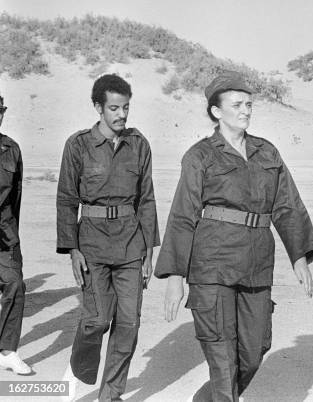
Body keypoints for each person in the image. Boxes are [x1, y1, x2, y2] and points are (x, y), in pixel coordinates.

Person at [154, 71, 313, 402]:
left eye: (249, 104)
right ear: (216, 111)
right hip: (212, 263)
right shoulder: (200, 156)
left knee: (256, 348)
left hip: (257, 263)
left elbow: (287, 205)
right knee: (222, 354)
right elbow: (183, 215)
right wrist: (175, 276)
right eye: (237, 104)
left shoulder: (267, 153)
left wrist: (298, 257)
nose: (245, 110)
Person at [56, 74, 159, 401]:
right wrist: (72, 248)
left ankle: (110, 395)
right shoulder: (78, 145)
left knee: (128, 325)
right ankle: (79, 365)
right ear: (99, 107)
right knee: (96, 321)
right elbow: (67, 199)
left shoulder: (139, 145)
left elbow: (147, 199)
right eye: (114, 108)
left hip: (130, 245)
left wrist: (148, 251)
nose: (121, 115)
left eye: (126, 107)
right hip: (93, 245)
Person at [0, 94, 32, 376]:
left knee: (15, 286)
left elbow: (16, 197)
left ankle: (7, 352)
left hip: (4, 234)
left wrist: (13, 234)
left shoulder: (11, 149)